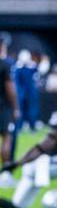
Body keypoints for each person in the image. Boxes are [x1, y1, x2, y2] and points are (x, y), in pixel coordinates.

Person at [0, 33, 18, 188]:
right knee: (6, 139)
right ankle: (5, 174)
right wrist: (16, 107)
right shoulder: (6, 63)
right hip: (3, 106)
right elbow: (10, 88)